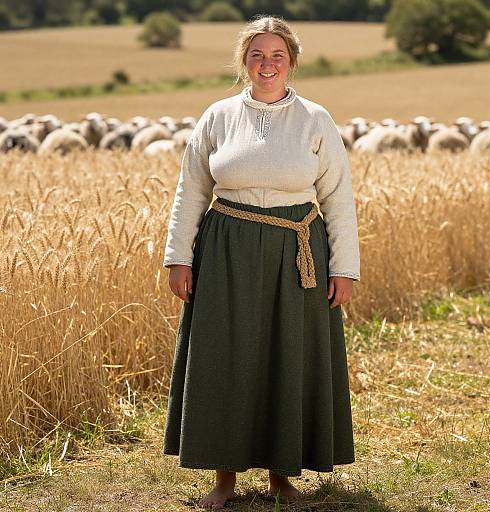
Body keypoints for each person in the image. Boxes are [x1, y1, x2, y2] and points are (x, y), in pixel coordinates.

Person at [162, 15, 361, 510]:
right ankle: (223, 479)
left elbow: (338, 197)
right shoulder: (218, 116)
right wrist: (178, 257)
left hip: (298, 251)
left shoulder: (316, 119)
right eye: (257, 55)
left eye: (277, 55)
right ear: (244, 62)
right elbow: (191, 191)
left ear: (291, 61)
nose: (267, 64)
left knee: (286, 354)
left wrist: (345, 267)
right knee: (224, 357)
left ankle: (281, 476)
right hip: (226, 247)